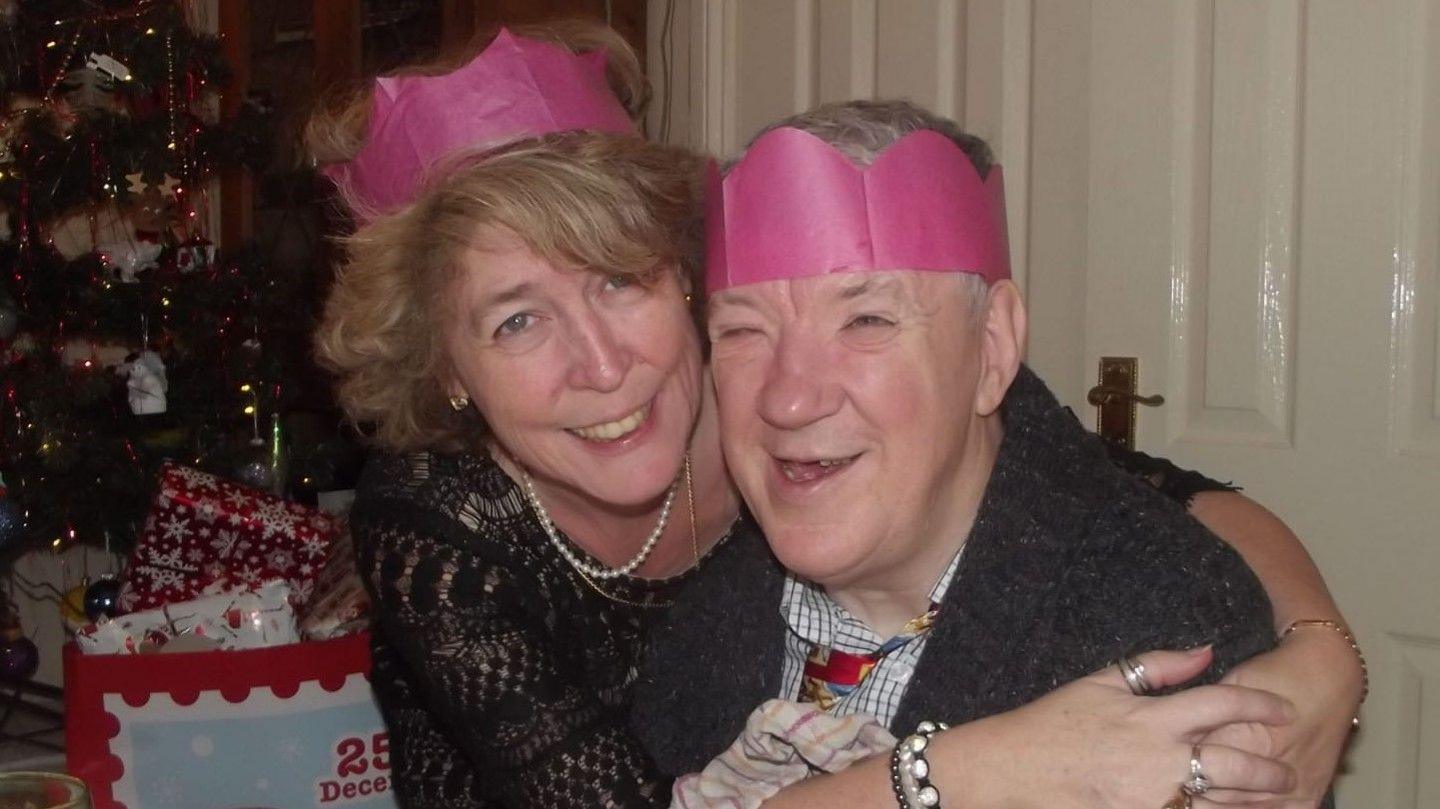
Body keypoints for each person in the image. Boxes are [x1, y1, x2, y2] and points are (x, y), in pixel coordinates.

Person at [311, 26, 1358, 809]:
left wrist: (1322, 645)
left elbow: (1122, 479)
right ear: (447, 365)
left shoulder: (754, 408)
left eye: (620, 281)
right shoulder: (441, 522)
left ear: (680, 281)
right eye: (517, 319)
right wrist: (974, 765)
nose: (602, 367)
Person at [635, 100, 1364, 809]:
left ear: (992, 349)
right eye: (740, 332)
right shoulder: (696, 617)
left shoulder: (1169, 630)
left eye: (865, 319)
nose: (789, 400)